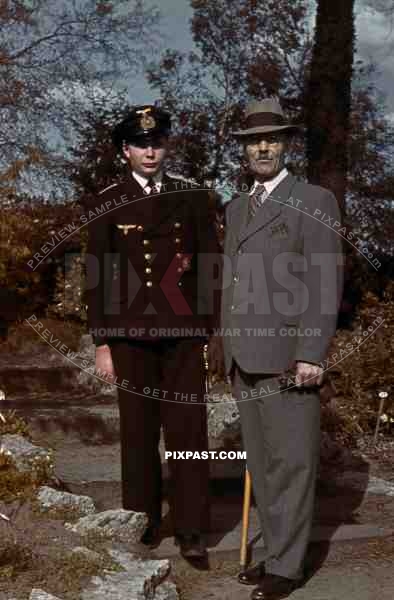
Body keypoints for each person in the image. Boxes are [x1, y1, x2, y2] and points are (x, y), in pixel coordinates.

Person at [85, 104, 221, 559]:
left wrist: (206, 332)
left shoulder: (192, 198)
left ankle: (191, 528)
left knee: (188, 431)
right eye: (141, 144)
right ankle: (140, 519)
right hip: (130, 335)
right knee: (138, 431)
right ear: (126, 150)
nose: (151, 151)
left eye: (158, 143)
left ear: (167, 146)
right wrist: (102, 342)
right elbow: (97, 276)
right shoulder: (108, 200)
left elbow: (207, 268)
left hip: (182, 334)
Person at [221, 98, 343, 599]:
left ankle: (288, 567)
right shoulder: (235, 207)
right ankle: (275, 551)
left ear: (286, 144)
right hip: (243, 357)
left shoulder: (313, 200)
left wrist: (312, 351)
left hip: (289, 356)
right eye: (253, 141)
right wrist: (219, 345)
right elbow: (229, 282)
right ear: (245, 151)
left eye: (271, 139)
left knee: (291, 463)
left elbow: (324, 280)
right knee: (263, 464)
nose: (263, 147)